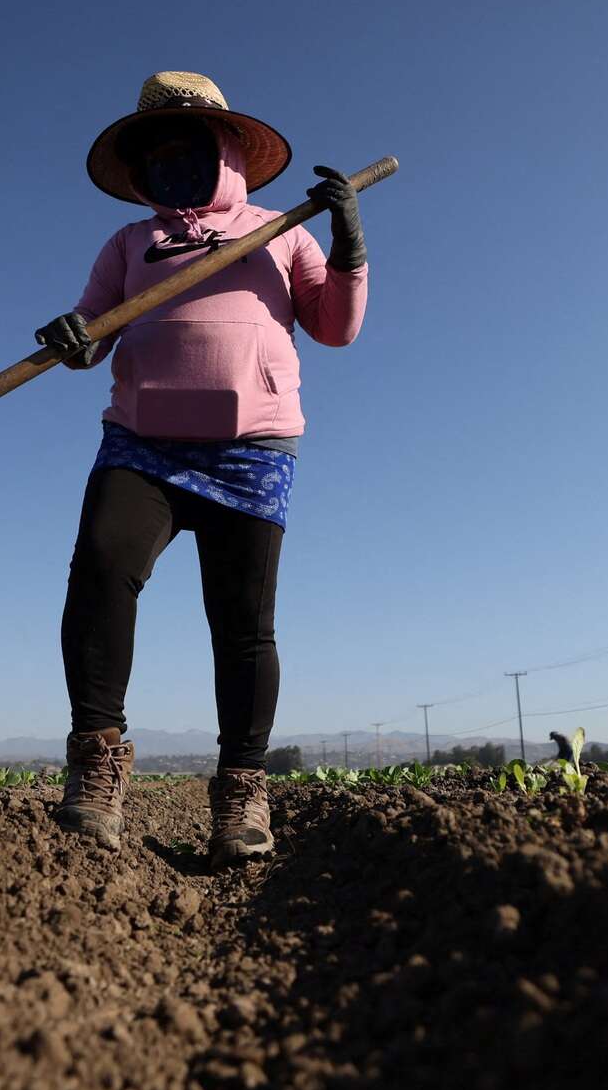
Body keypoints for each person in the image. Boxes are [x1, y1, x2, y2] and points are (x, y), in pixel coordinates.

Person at [35, 71, 371, 866]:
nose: (173, 166)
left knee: (243, 625)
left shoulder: (282, 230)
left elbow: (335, 327)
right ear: (143, 169)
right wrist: (73, 334)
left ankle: (242, 790)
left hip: (251, 448)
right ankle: (97, 759)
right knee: (100, 571)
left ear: (225, 152)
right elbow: (95, 327)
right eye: (158, 156)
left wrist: (350, 241)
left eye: (190, 148)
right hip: (141, 445)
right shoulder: (129, 244)